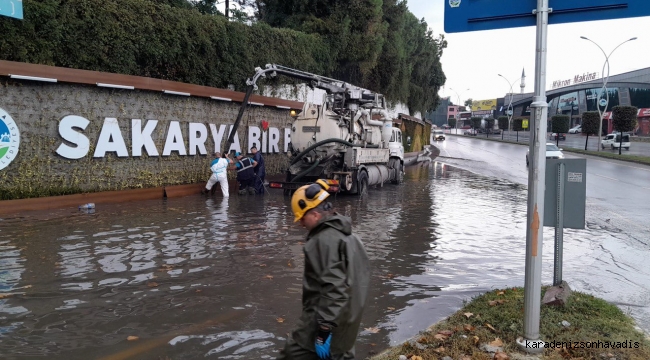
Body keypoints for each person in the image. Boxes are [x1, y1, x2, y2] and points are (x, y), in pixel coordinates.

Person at [278, 179, 370, 360]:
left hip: (321, 324)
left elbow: (334, 287)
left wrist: (324, 331)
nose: (301, 224)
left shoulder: (322, 240)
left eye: (302, 218)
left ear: (314, 214)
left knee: (291, 354)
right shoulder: (349, 236)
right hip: (347, 324)